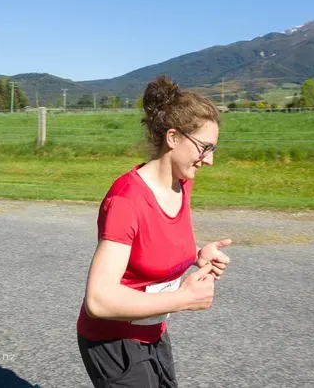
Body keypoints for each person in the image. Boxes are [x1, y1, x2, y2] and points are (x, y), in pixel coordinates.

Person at [76, 75, 231, 388]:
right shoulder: (126, 201)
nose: (210, 160)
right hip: (112, 341)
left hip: (153, 332)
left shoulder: (181, 183)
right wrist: (183, 299)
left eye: (213, 149)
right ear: (173, 138)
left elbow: (155, 246)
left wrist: (197, 255)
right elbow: (99, 300)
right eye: (204, 148)